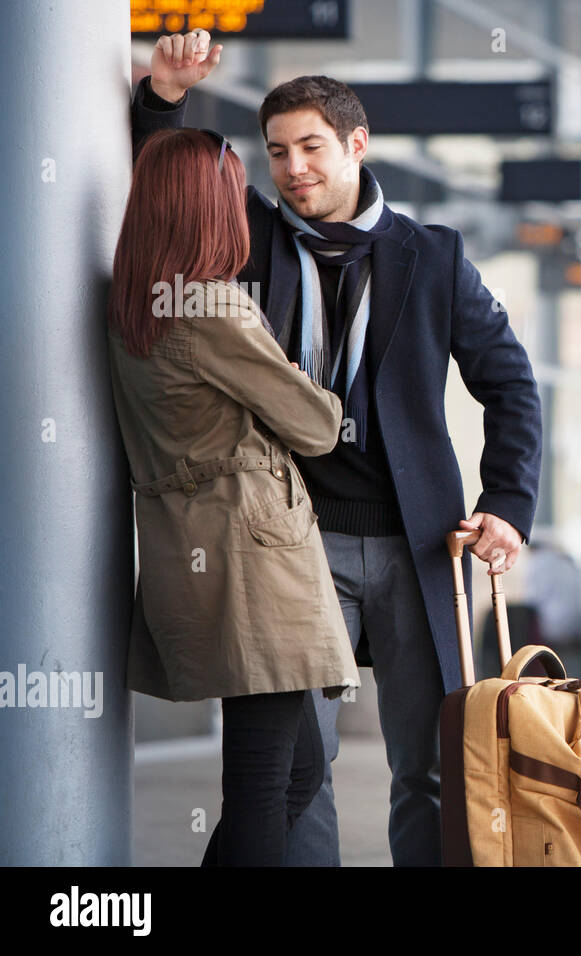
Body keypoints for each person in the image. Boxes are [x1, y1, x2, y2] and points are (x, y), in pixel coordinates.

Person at [132, 29, 544, 866]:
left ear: (357, 144)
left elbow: (511, 385)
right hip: (292, 541)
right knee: (299, 767)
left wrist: (506, 505)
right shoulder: (247, 241)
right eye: (278, 152)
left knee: (428, 766)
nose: (293, 169)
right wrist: (164, 96)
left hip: (419, 542)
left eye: (312, 147)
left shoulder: (434, 257)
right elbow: (171, 183)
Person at [108, 127, 360, 865]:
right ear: (208, 209)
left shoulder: (135, 305)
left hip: (195, 547)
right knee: (261, 782)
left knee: (296, 769)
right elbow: (316, 424)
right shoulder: (210, 306)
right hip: (254, 557)